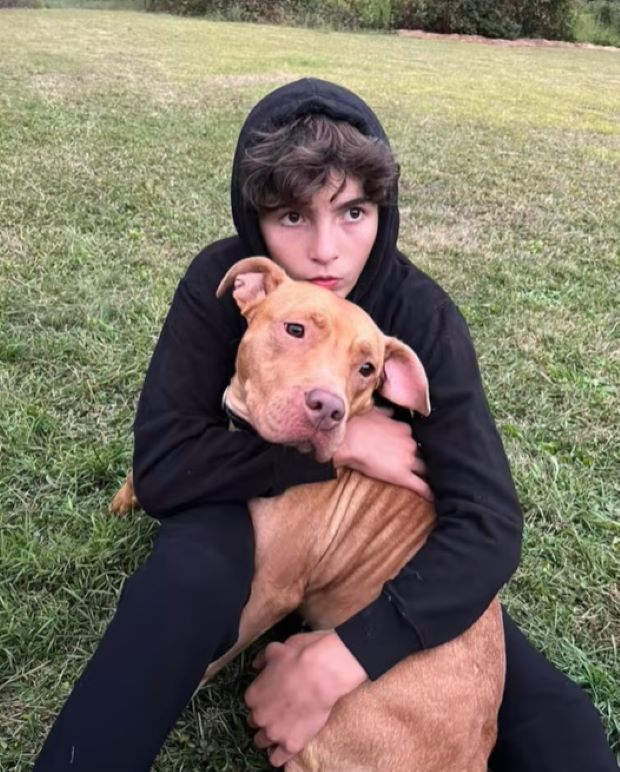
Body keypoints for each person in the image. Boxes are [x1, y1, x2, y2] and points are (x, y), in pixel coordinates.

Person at [34, 78, 617, 772]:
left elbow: (489, 523)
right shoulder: (229, 282)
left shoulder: (421, 319)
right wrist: (340, 451)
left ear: (383, 211)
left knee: (565, 734)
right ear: (255, 226)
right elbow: (163, 467)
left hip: (395, 567)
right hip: (235, 492)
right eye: (290, 217)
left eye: (353, 213)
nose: (326, 251)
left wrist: (344, 658)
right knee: (194, 575)